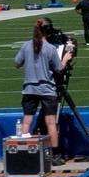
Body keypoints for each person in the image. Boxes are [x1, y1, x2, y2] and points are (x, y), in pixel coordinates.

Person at [15, 19, 66, 152]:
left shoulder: (26, 45)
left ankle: (23, 152)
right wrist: (66, 58)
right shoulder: (50, 48)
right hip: (47, 89)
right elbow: (59, 69)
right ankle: (54, 154)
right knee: (51, 123)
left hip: (29, 89)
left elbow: (17, 63)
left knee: (26, 122)